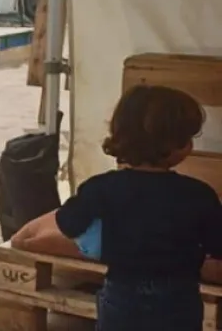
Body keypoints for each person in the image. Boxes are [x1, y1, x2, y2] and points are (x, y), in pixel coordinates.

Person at [53, 84, 222, 330]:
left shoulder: (101, 187)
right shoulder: (198, 194)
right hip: (178, 298)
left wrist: (95, 241)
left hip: (121, 294)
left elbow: (67, 221)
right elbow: (218, 245)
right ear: (175, 145)